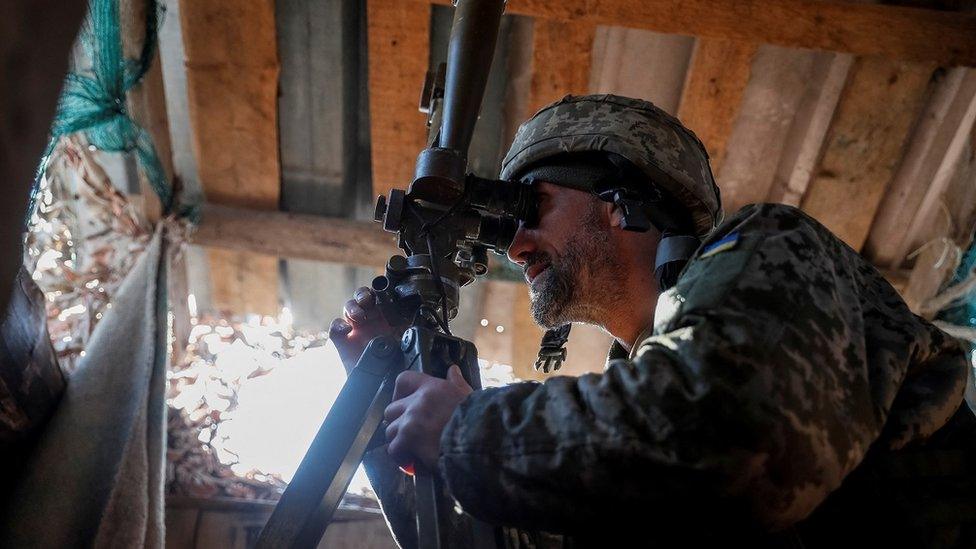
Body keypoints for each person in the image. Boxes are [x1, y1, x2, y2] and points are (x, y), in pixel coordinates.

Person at [329, 94, 974, 548]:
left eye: (532, 206)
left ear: (619, 201)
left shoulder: (771, 247)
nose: (517, 246)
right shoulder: (618, 440)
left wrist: (466, 430)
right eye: (506, 232)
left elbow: (732, 434)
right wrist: (387, 404)